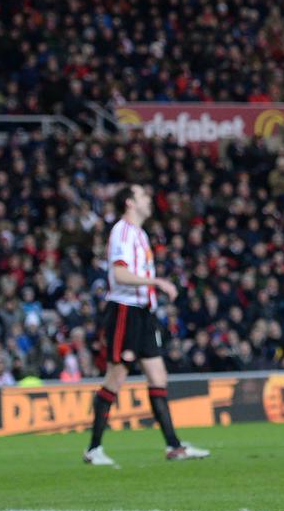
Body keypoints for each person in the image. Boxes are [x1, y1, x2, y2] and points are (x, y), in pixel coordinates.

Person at [83, 184, 209, 465]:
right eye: (143, 195)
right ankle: (93, 449)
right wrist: (157, 282)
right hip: (125, 311)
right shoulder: (122, 232)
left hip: (143, 313)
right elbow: (119, 273)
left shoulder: (139, 234)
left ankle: (174, 446)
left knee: (158, 376)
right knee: (115, 378)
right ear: (129, 202)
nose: (148, 199)